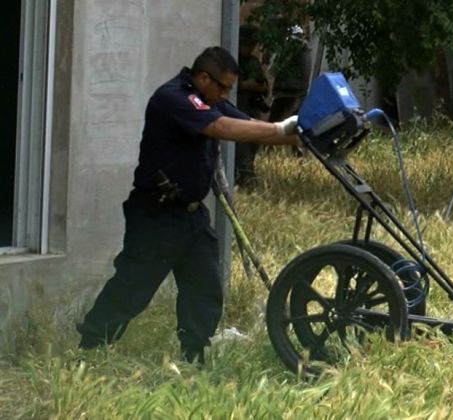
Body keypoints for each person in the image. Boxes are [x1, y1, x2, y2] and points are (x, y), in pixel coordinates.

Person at [76, 46, 299, 365]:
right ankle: (89, 350)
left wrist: (305, 134)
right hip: (156, 214)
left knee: (204, 288)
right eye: (221, 86)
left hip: (191, 215)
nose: (224, 95)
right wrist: (281, 128)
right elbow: (222, 128)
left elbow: (250, 128)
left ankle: (192, 357)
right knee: (132, 288)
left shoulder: (211, 100)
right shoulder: (175, 98)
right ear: (203, 77)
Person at [234, 23, 270, 188]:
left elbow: (264, 84)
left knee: (253, 145)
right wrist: (245, 85)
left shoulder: (253, 62)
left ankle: (245, 178)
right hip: (238, 110)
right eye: (248, 45)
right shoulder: (233, 62)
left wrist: (261, 87)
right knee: (242, 149)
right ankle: (247, 180)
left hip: (253, 109)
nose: (251, 48)